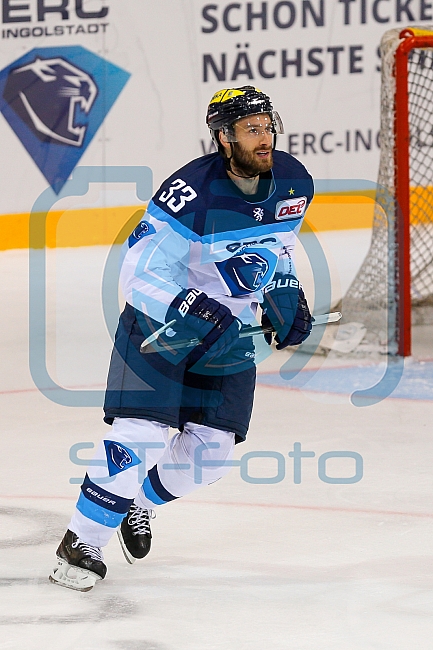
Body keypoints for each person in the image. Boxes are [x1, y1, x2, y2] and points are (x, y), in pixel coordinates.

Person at [49, 86, 314, 591]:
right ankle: (79, 543)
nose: (265, 138)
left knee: (209, 456)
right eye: (251, 129)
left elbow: (277, 246)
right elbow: (136, 274)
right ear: (223, 137)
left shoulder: (293, 181)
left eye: (267, 126)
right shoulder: (188, 194)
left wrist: (283, 292)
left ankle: (136, 505)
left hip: (227, 336)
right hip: (160, 328)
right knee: (139, 438)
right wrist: (187, 304)